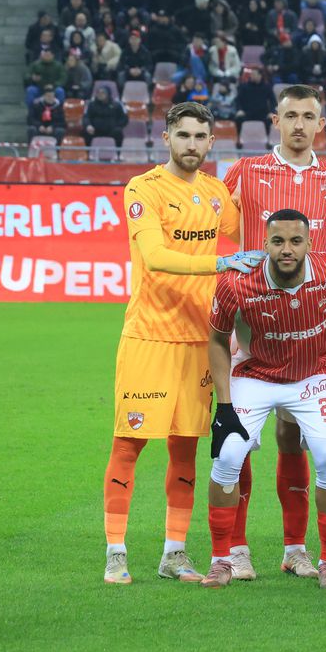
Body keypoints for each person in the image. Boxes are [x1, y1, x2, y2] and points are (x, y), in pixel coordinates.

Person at [102, 102, 258, 585]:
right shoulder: (143, 189)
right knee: (128, 444)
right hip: (149, 337)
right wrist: (222, 265)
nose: (192, 144)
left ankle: (174, 554)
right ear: (167, 137)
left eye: (201, 137)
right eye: (183, 135)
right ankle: (115, 553)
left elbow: (254, 231)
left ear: (212, 142)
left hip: (200, 340)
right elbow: (154, 256)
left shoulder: (215, 193)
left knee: (186, 448)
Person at [202, 210, 326, 588]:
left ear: (310, 244)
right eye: (278, 242)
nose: (287, 250)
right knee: (227, 455)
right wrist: (224, 405)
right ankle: (221, 560)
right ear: (265, 244)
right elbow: (216, 339)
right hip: (255, 374)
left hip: (313, 377)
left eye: (296, 242)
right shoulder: (236, 283)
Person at [215, 85, 326, 579]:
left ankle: (296, 549)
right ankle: (236, 548)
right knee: (239, 440)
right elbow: (219, 228)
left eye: (308, 116)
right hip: (249, 320)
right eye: (290, 115)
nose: (299, 124)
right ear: (275, 120)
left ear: (321, 124)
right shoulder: (245, 171)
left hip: (304, 328)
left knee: (294, 438)